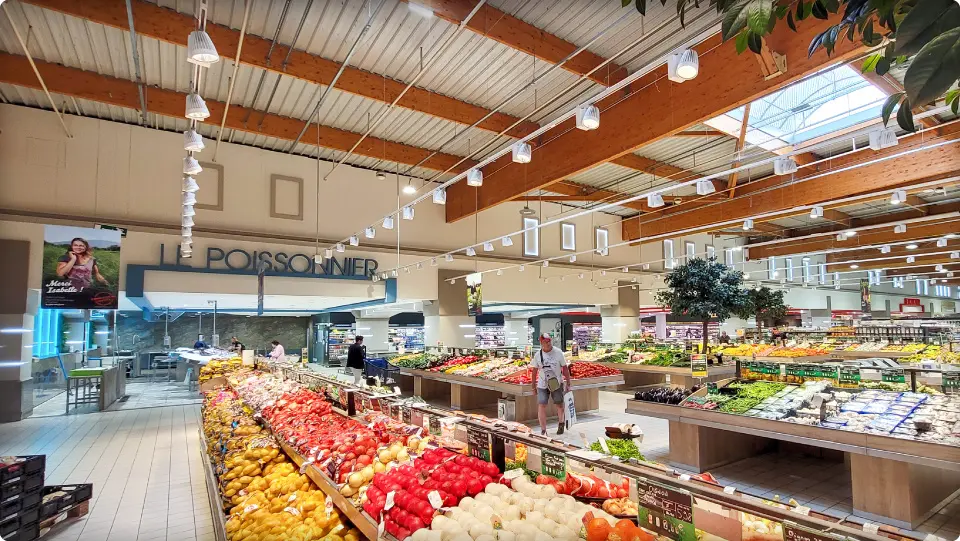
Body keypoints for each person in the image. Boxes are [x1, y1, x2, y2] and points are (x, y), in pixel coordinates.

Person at [530, 333, 571, 436]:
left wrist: (568, 383)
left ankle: (561, 423)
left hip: (556, 383)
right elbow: (534, 371)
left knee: (559, 404)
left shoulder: (558, 352)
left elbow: (565, 368)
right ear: (541, 342)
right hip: (542, 384)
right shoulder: (538, 355)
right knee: (542, 405)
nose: (548, 344)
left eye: (549, 341)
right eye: (545, 342)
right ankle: (543, 430)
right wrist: (533, 387)